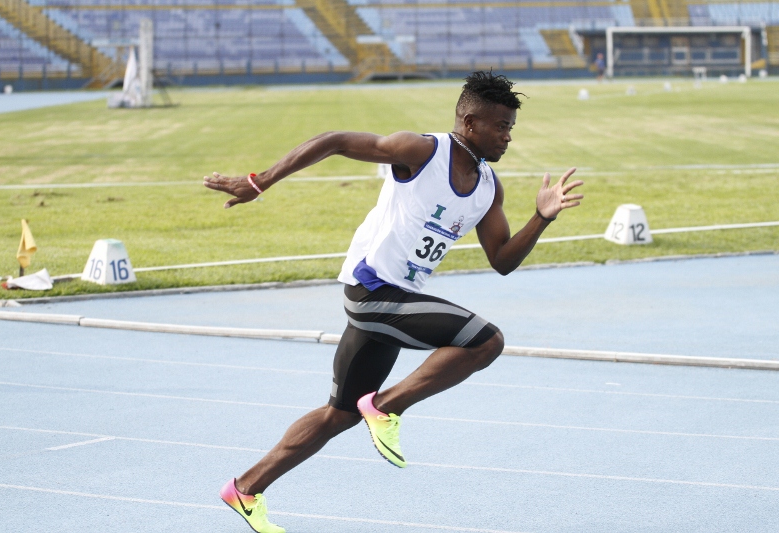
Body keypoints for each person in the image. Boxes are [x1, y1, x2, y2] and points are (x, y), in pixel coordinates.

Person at [203, 71, 583, 533]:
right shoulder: (420, 152)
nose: (507, 137)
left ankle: (245, 488)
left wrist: (541, 217)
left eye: (511, 128)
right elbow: (336, 140)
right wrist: (260, 181)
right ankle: (385, 407)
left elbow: (502, 259)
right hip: (371, 292)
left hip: (395, 304)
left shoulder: (488, 188)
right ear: (469, 122)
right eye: (501, 126)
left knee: (340, 414)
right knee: (486, 342)